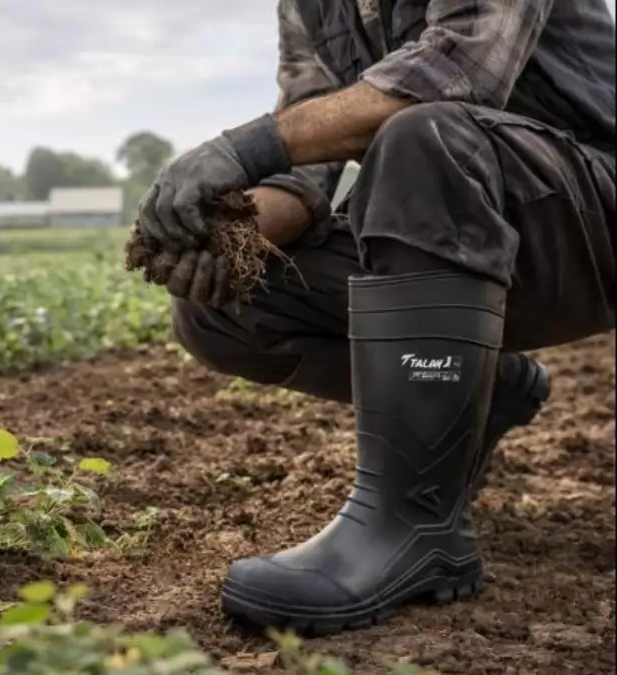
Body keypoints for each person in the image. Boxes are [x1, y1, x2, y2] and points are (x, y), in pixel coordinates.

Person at [136, 0, 615, 634]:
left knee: (425, 134)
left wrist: (243, 147)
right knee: (227, 303)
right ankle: (478, 390)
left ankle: (412, 526)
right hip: (465, 231)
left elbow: (456, 74)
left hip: (591, 216)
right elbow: (306, 160)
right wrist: (227, 233)